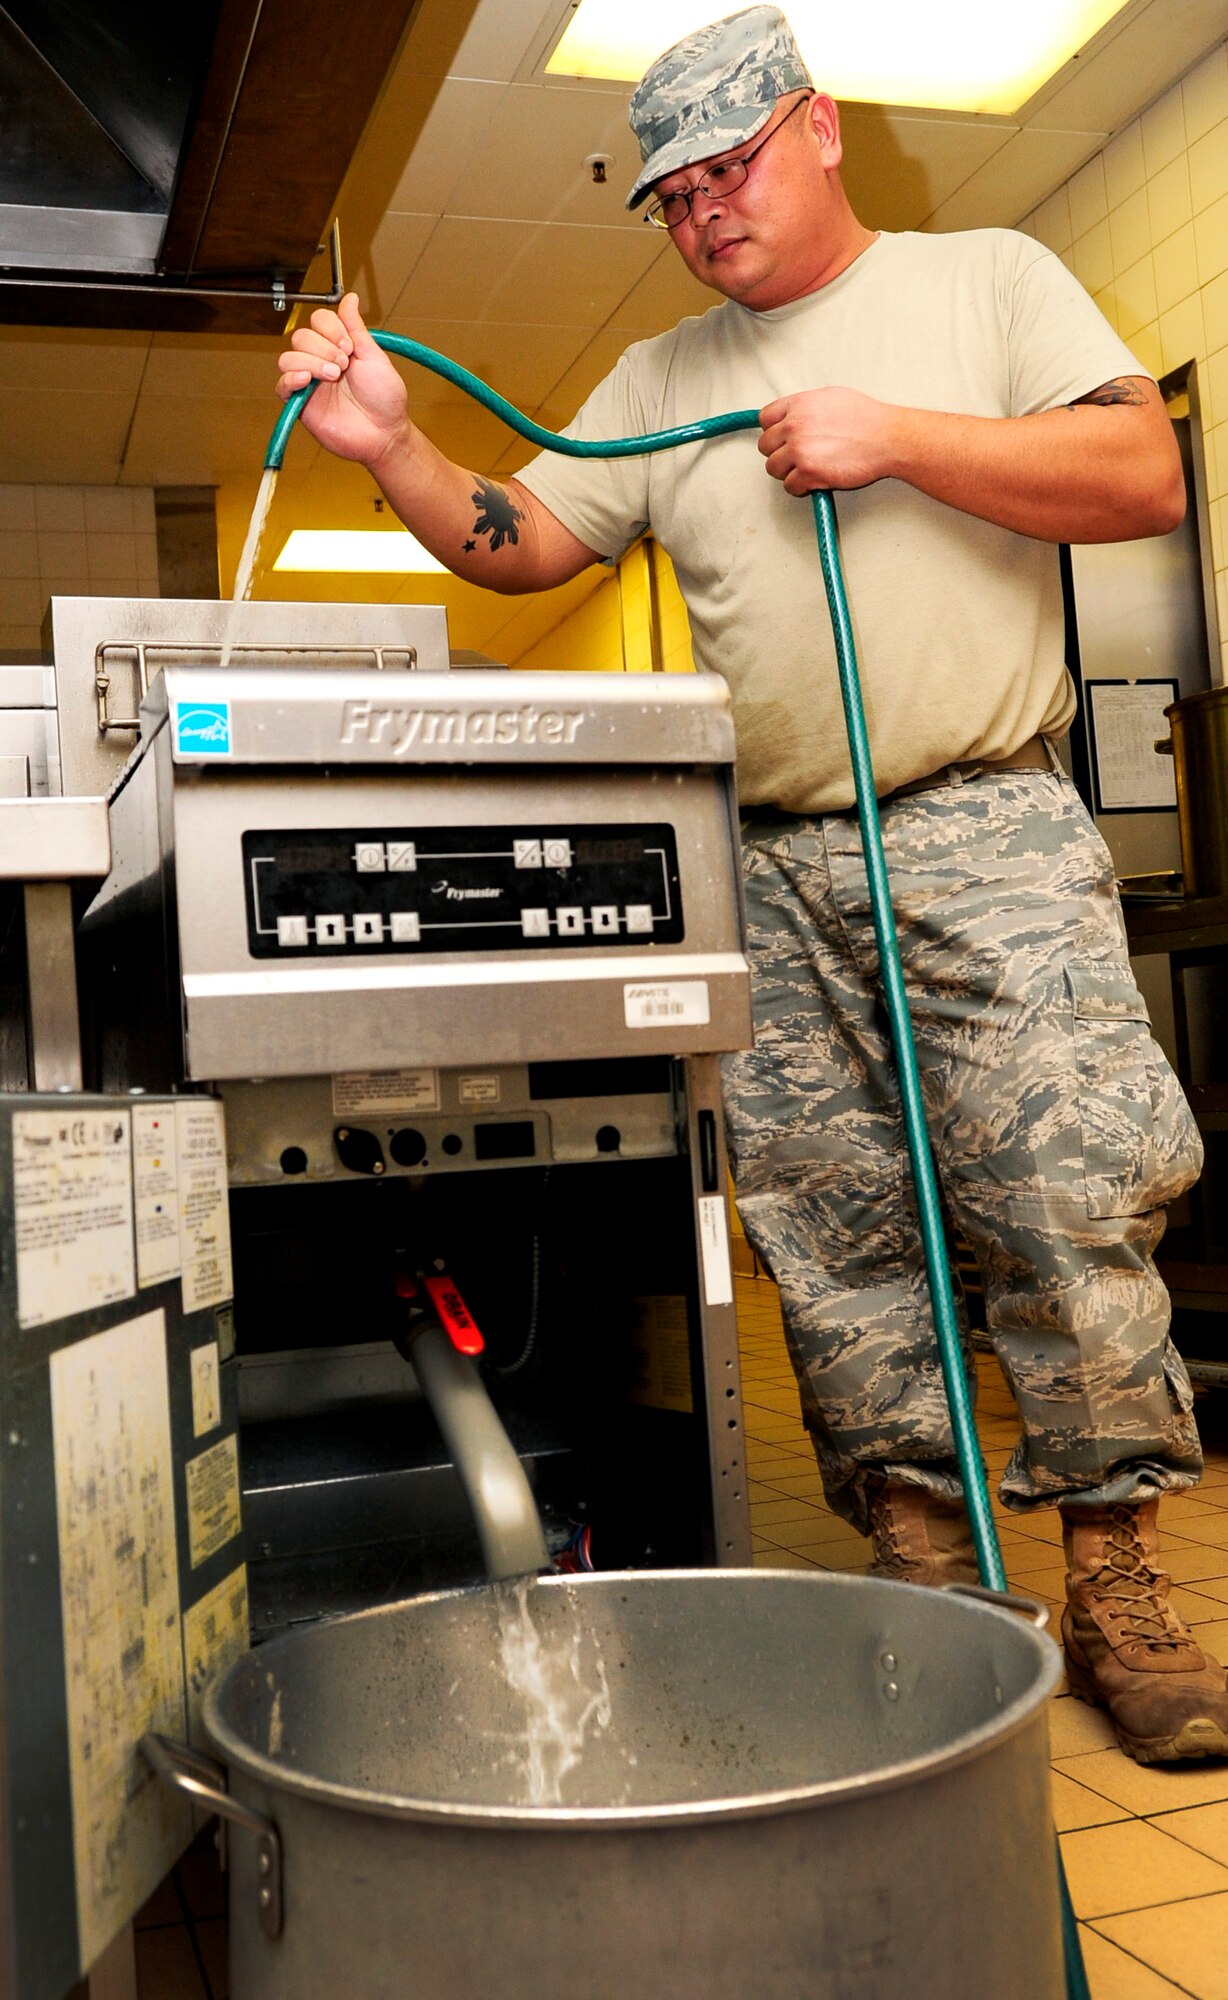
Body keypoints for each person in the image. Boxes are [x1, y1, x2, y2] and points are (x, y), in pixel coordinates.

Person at [277, 4, 1227, 1764]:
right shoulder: (658, 379)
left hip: (980, 825)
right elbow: (528, 544)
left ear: (819, 129)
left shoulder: (993, 281)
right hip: (773, 858)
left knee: (1063, 1193)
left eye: (725, 168)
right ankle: (928, 1578)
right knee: (834, 1235)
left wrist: (897, 438)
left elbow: (1142, 473)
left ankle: (1121, 1588)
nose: (702, 211)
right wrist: (395, 447)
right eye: (669, 194)